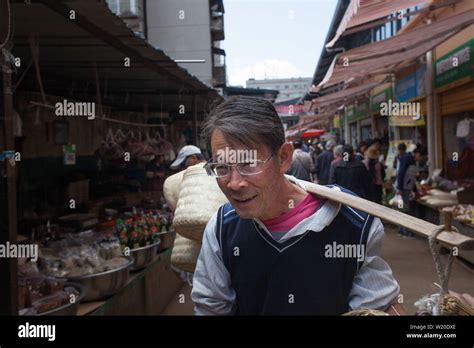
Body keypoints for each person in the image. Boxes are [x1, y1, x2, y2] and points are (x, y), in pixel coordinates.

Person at [192, 96, 403, 315]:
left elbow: (378, 306)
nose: (235, 183)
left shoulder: (354, 223)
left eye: (248, 163)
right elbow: (211, 308)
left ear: (283, 157)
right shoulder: (222, 228)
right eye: (222, 167)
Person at [394, 143, 417, 237]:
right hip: (404, 188)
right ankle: (404, 230)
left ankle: (402, 229)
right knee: (404, 208)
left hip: (403, 187)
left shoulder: (404, 158)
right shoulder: (406, 158)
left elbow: (401, 173)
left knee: (402, 207)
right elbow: (402, 173)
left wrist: (399, 187)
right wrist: (400, 187)